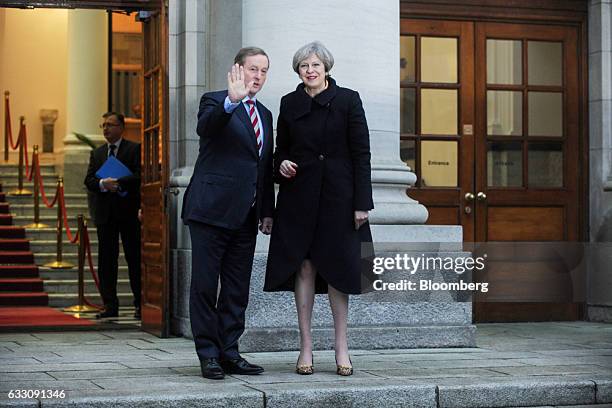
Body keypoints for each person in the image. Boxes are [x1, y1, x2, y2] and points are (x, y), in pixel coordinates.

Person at [264, 41, 374, 376]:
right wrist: (281, 164)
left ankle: (342, 346)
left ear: (326, 67)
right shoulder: (289, 102)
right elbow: (280, 149)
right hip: (299, 197)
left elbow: (362, 154)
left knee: (340, 271)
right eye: (303, 66)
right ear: (297, 71)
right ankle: (306, 346)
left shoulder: (348, 99)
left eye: (315, 65)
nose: (310, 71)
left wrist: (362, 203)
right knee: (306, 268)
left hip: (340, 198)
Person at [181, 47, 275, 380]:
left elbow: (261, 165)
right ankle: (208, 354)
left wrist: (266, 210)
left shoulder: (265, 114)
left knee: (237, 289)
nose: (258, 77)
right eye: (253, 69)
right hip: (210, 212)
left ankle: (229, 351)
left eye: (264, 71)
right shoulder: (215, 101)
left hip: (246, 217)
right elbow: (206, 129)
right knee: (205, 287)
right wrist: (230, 102)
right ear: (238, 69)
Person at [84, 112, 141, 320]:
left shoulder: (134, 149)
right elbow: (89, 180)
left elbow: (140, 176)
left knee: (134, 259)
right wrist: (102, 184)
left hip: (128, 214)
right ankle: (110, 305)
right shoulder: (97, 153)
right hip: (105, 214)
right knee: (107, 261)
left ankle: (140, 304)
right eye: (103, 125)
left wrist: (118, 183)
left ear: (121, 127)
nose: (106, 129)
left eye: (110, 125)